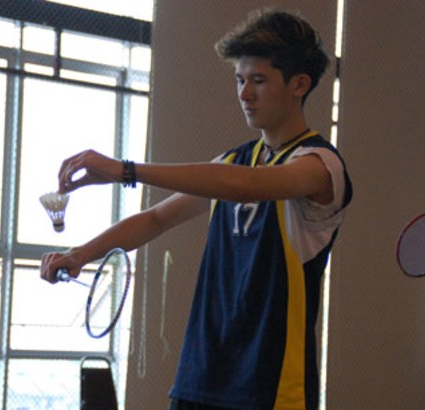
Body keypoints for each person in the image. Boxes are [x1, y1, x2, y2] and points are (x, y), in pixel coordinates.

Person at [40, 9, 352, 410]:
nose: (244, 94)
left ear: (299, 84)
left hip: (270, 386)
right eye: (240, 80)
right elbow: (154, 219)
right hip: (200, 375)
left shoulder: (320, 166)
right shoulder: (234, 161)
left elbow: (248, 186)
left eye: (258, 80)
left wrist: (125, 170)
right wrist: (80, 253)